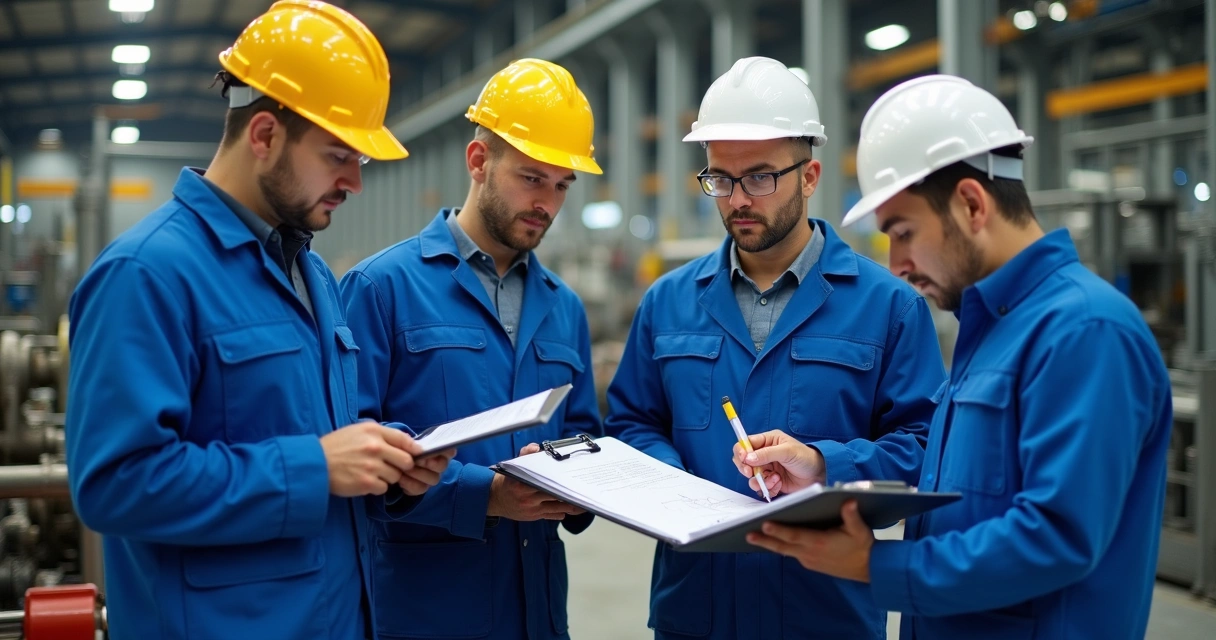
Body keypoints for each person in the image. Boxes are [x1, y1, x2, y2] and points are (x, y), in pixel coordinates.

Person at [64, 3, 453, 639]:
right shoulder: (147, 274)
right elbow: (114, 485)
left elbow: (321, 439)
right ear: (265, 135)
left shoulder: (312, 274)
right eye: (338, 156)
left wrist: (389, 467)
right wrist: (314, 467)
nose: (354, 181)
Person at [740, 74, 1172, 639]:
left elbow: (1056, 535)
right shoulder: (991, 330)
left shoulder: (1084, 331)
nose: (895, 264)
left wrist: (875, 565)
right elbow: (950, 487)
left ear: (971, 204)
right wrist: (825, 467)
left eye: (903, 232)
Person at [603, 56, 945, 639]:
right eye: (720, 179)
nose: (737, 199)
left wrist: (823, 466)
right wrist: (672, 489)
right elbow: (633, 423)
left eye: (760, 177)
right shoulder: (667, 303)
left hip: (824, 614)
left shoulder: (889, 307)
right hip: (695, 612)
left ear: (809, 176)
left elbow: (926, 447)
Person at [338, 58, 603, 640]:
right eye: (532, 177)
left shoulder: (565, 309)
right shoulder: (382, 288)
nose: (547, 204)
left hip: (537, 609)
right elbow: (348, 451)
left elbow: (586, 435)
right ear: (479, 161)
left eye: (562, 185)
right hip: (424, 610)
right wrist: (488, 495)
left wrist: (577, 485)